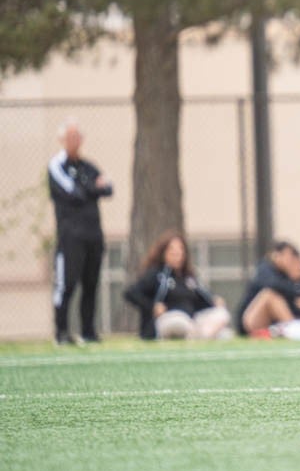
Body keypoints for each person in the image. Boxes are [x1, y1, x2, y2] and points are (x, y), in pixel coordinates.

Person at [48, 118, 113, 345]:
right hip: (70, 237)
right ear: (62, 140)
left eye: (78, 137)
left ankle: (88, 331)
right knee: (66, 285)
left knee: (91, 283)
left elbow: (109, 188)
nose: (75, 141)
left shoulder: (88, 166)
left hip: (93, 235)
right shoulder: (57, 166)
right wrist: (94, 188)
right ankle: (62, 333)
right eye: (71, 137)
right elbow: (73, 193)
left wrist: (94, 189)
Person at [123, 231, 232, 340]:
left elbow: (199, 301)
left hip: (192, 320)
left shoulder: (189, 278)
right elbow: (131, 293)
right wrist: (153, 307)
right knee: (179, 323)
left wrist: (213, 302)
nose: (177, 253)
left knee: (222, 317)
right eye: (172, 249)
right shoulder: (157, 275)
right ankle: (197, 335)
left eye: (180, 249)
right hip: (169, 320)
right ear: (163, 252)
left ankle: (199, 335)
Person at [236, 241, 300, 340]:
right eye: (288, 257)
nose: (290, 261)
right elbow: (274, 284)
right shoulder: (265, 268)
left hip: (271, 323)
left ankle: (278, 331)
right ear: (277, 255)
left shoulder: (289, 278)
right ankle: (292, 328)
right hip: (248, 321)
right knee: (269, 295)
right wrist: (299, 292)